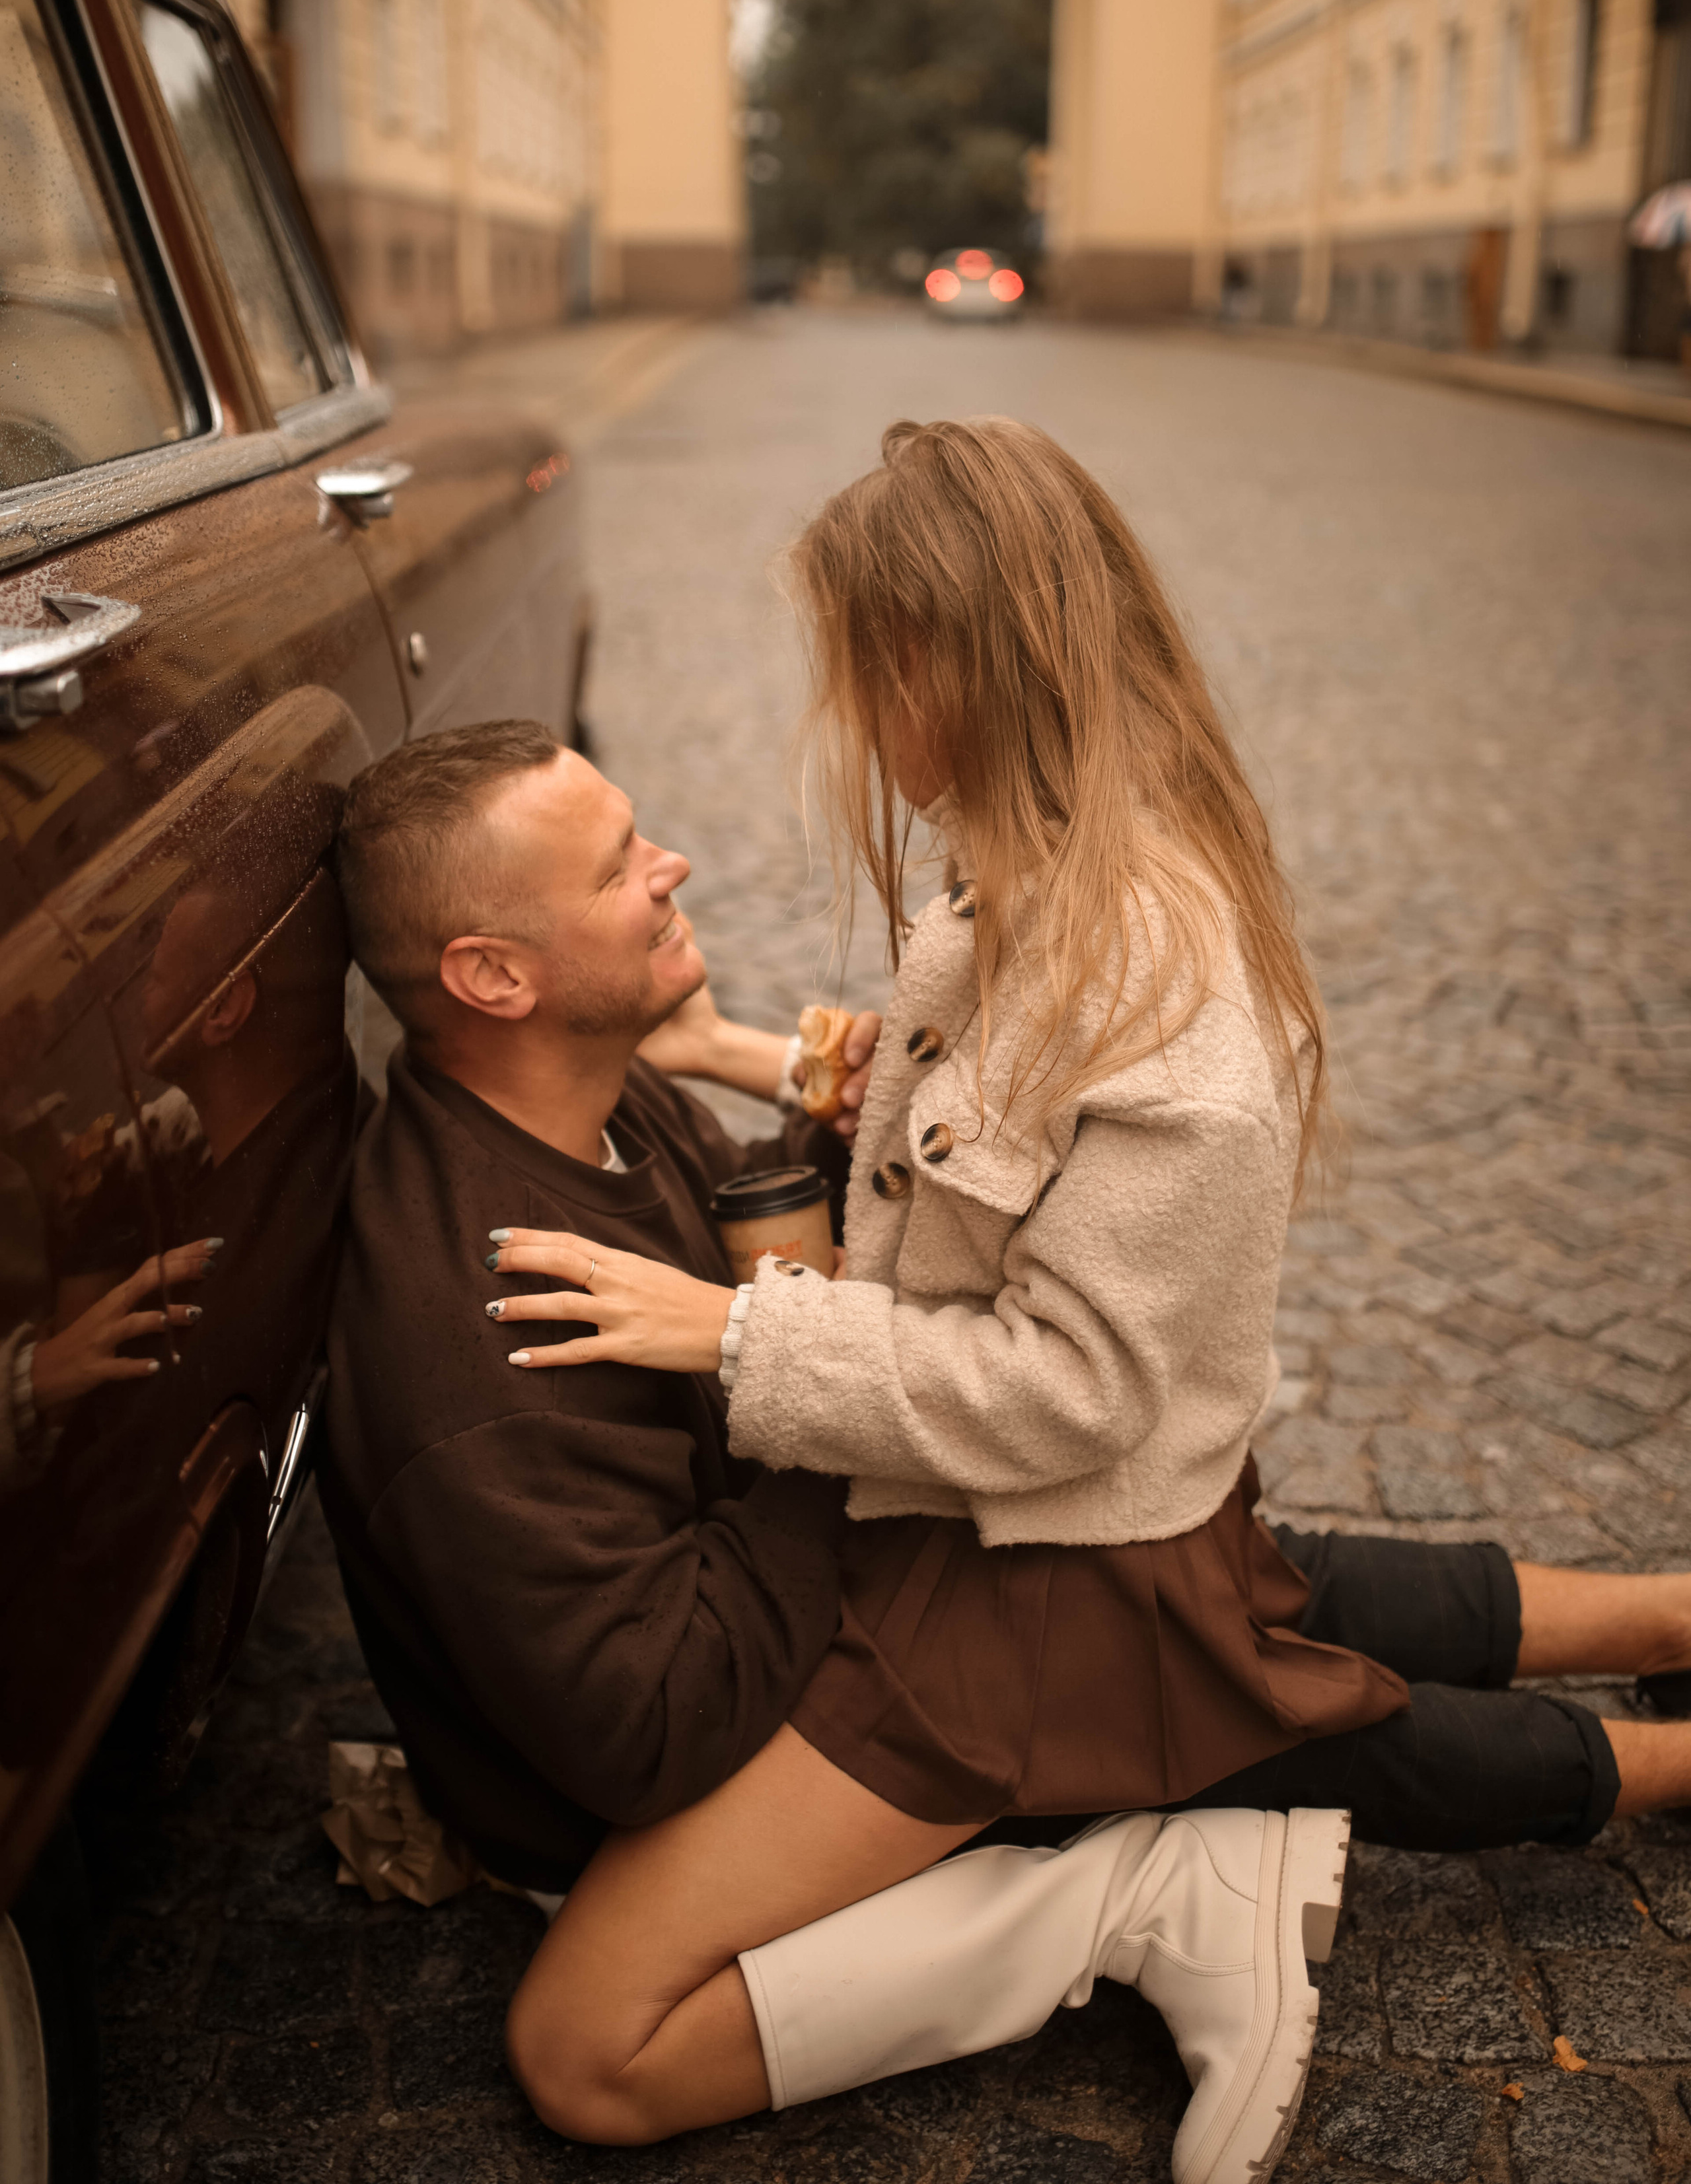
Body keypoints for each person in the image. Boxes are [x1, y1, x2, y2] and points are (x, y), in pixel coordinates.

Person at [476, 421, 1691, 2177]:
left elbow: (1071, 1396)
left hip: (1027, 1594)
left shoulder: (1145, 968)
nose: (842, 722)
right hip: (1049, 1545)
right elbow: (970, 1097)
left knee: (590, 2052)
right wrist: (744, 1050)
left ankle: (1160, 1871)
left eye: (846, 673)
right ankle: (1667, 1617)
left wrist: (736, 1335)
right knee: (1304, 1632)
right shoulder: (1047, 863)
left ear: (927, 671)